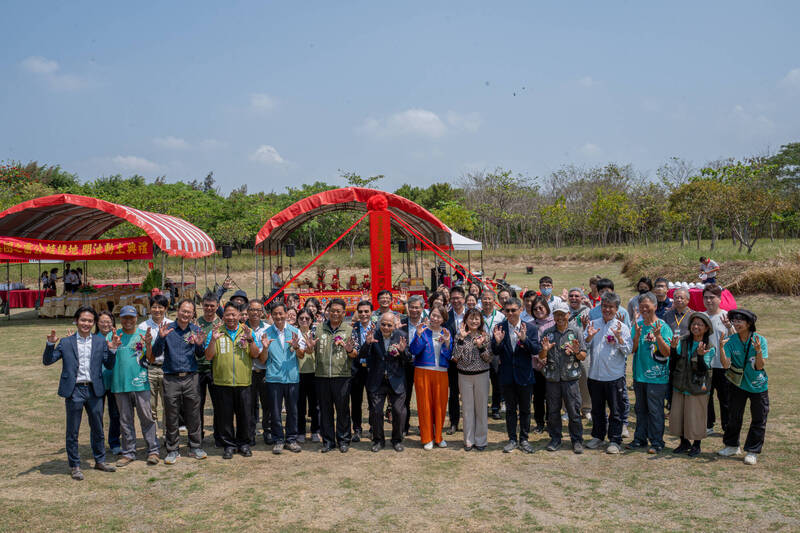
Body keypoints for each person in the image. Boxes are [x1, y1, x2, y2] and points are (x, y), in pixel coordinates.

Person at [43, 307, 120, 480]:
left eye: (90, 321)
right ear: (76, 321)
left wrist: (113, 350)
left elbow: (109, 365)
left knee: (98, 428)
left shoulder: (100, 342)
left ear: (94, 324)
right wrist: (50, 344)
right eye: (83, 320)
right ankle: (75, 465)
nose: (86, 323)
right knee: (73, 430)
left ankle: (100, 460)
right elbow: (48, 361)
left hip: (94, 390)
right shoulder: (66, 342)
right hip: (74, 390)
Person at [150, 299, 207, 464]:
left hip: (191, 377)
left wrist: (199, 345)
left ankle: (195, 446)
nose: (186, 314)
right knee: (171, 414)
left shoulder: (195, 330)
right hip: (170, 377)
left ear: (192, 314)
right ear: (178, 311)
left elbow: (200, 355)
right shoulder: (167, 329)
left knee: (193, 413)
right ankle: (173, 449)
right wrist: (160, 338)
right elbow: (156, 352)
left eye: (189, 312)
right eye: (183, 311)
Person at [204, 303, 260, 459]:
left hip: (244, 382)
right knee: (225, 416)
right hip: (223, 383)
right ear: (223, 317)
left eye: (233, 314)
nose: (230, 317)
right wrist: (213, 341)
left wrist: (250, 340)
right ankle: (228, 445)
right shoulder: (216, 332)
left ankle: (244, 443)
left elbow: (255, 354)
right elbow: (208, 356)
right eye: (227, 314)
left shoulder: (247, 331)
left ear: (240, 316)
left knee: (245, 416)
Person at [110, 306, 160, 467]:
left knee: (147, 418)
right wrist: (112, 346)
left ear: (136, 318)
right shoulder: (114, 335)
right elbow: (107, 358)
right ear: (120, 318)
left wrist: (148, 344)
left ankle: (153, 451)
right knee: (125, 420)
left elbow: (151, 359)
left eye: (131, 317)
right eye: (124, 317)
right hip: (120, 385)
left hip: (141, 384)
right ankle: (128, 452)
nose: (128, 321)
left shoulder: (142, 335)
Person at [306, 298, 357, 453]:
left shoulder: (349, 330)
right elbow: (309, 351)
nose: (335, 313)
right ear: (327, 312)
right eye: (332, 311)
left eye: (338, 311)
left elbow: (355, 353)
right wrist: (309, 348)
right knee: (325, 410)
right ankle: (328, 441)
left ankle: (343, 440)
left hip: (342, 375)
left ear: (343, 313)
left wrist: (349, 350)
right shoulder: (318, 329)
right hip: (321, 376)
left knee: (342, 410)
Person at [718, 309, 769, 466]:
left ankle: (752, 451)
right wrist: (720, 348)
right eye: (734, 320)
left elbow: (759, 366)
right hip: (737, 384)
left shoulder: (760, 340)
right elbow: (726, 364)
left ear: (749, 324)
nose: (736, 323)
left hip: (757, 386)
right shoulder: (731, 340)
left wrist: (759, 351)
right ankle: (732, 445)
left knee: (759, 419)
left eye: (740, 321)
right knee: (734, 415)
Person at [491, 297, 541, 454]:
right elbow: (495, 351)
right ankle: (512, 439)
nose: (511, 313)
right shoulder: (499, 327)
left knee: (525, 410)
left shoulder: (531, 328)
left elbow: (535, 350)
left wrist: (524, 339)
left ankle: (524, 439)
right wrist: (497, 342)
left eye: (514, 310)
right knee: (511, 410)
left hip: (524, 375)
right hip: (507, 376)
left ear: (520, 310)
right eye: (507, 310)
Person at [584, 292, 632, 454]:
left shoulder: (621, 327)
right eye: (604, 306)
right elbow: (584, 347)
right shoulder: (593, 323)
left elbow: (628, 350)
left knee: (616, 411)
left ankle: (615, 440)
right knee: (597, 409)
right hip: (595, 376)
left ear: (617, 309)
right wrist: (589, 337)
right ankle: (598, 436)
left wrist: (619, 338)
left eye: (611, 307)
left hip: (614, 377)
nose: (607, 309)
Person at [539, 302, 587, 454]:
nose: (559, 317)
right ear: (553, 316)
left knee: (573, 411)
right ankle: (555, 438)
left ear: (568, 315)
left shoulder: (576, 331)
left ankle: (577, 440)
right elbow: (541, 357)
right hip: (553, 378)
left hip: (570, 379)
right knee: (553, 411)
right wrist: (544, 351)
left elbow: (583, 356)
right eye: (556, 314)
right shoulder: (548, 333)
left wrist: (576, 351)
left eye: (562, 314)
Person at [629, 292, 673, 454]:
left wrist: (658, 336)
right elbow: (633, 350)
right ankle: (640, 439)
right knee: (640, 410)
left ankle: (657, 441)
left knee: (655, 410)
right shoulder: (638, 326)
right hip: (639, 375)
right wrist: (637, 337)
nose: (644, 310)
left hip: (657, 377)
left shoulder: (663, 326)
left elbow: (667, 352)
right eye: (641, 307)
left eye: (647, 306)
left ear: (655, 306)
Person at [360, 312, 409, 452]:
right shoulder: (373, 335)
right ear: (379, 324)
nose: (386, 327)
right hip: (377, 380)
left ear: (394, 325)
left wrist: (402, 351)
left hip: (396, 380)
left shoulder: (401, 336)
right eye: (383, 324)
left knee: (398, 411)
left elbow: (408, 358)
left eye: (389, 325)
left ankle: (397, 440)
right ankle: (378, 440)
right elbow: (362, 355)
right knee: (376, 411)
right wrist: (367, 344)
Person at [668, 312, 715, 457]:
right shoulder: (682, 341)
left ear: (706, 328)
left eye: (700, 324)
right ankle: (684, 442)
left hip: (697, 387)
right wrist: (673, 349)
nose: (696, 327)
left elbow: (703, 370)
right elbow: (673, 365)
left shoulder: (709, 346)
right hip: (680, 385)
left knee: (696, 417)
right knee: (679, 415)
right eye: (693, 324)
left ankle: (696, 444)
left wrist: (701, 356)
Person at [261, 302, 303, 454]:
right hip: (274, 378)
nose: (278, 316)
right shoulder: (266, 333)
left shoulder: (295, 331)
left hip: (292, 378)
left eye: (281, 313)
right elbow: (262, 359)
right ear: (271, 315)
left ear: (286, 314)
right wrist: (265, 347)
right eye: (275, 314)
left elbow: (302, 354)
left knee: (292, 410)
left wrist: (297, 347)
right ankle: (278, 439)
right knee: (275, 411)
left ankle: (291, 439)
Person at [409, 305, 453, 450]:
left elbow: (448, 356)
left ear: (443, 319)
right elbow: (414, 350)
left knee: (440, 406)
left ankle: (439, 436)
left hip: (441, 372)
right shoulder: (422, 330)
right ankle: (427, 437)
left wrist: (447, 342)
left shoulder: (446, 333)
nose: (435, 318)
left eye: (438, 316)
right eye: (433, 315)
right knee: (424, 406)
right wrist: (419, 335)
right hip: (422, 371)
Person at [451, 308, 492, 451]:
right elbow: (455, 357)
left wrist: (480, 347)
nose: (474, 321)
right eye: (471, 318)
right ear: (465, 321)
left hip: (482, 374)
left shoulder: (485, 336)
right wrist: (461, 339)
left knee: (481, 408)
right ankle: (468, 440)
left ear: (480, 321)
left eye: (476, 319)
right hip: (464, 375)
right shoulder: (459, 335)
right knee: (467, 409)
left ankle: (481, 440)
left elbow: (488, 358)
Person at [703, 284, 735, 436]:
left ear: (719, 299)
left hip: (723, 365)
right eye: (706, 297)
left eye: (712, 297)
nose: (709, 301)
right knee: (706, 397)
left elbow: (736, 338)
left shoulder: (727, 316)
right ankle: (708, 424)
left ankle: (727, 427)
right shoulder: (701, 316)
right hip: (706, 364)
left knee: (725, 398)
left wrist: (729, 326)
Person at [139, 294, 173, 438]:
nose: (157, 310)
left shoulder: (172, 325)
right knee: (150, 405)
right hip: (150, 369)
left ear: (165, 308)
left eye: (160, 307)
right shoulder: (142, 326)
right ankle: (153, 436)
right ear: (150, 308)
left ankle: (167, 435)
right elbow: (139, 350)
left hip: (167, 369)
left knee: (168, 405)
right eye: (154, 307)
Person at [196, 293, 222, 447]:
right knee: (197, 405)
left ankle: (218, 435)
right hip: (198, 369)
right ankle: (198, 436)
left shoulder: (221, 323)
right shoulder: (196, 323)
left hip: (215, 369)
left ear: (217, 306)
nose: (209, 308)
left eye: (212, 305)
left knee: (218, 404)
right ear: (202, 305)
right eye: (206, 305)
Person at [245, 300, 271, 447]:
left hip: (265, 370)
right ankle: (250, 433)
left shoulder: (268, 328)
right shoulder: (241, 328)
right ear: (247, 311)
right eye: (252, 310)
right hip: (248, 371)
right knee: (249, 405)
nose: (255, 313)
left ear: (262, 312)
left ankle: (267, 431)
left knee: (267, 404)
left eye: (258, 310)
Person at [350, 300, 374, 443]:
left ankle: (373, 428)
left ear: (371, 312)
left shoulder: (377, 328)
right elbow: (355, 352)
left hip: (373, 370)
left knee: (374, 401)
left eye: (366, 311)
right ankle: (357, 429)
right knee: (356, 401)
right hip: (357, 369)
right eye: (361, 312)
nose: (364, 314)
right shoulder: (353, 329)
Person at [97, 311, 121, 456]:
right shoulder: (93, 338)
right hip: (98, 382)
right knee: (97, 415)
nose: (106, 324)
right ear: (97, 323)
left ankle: (114, 443)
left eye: (108, 321)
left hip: (114, 381)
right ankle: (98, 444)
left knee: (115, 414)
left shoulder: (117, 337)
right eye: (102, 321)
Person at [401, 295, 426, 435]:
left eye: (417, 307)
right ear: (408, 308)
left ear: (422, 309)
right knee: (405, 398)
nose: (414, 310)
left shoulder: (427, 324)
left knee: (423, 399)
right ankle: (404, 427)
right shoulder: (401, 324)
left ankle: (424, 427)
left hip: (423, 365)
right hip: (405, 365)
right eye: (412, 307)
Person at [566, 287, 592, 420]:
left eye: (577, 296)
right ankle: (567, 409)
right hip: (567, 350)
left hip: (583, 351)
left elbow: (591, 331)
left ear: (582, 298)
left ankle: (586, 408)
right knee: (568, 380)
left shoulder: (588, 311)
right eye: (571, 296)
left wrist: (586, 326)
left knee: (585, 379)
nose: (574, 298)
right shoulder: (564, 311)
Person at [295, 308, 320, 443]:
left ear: (312, 320)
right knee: (300, 405)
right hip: (297, 373)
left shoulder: (316, 334)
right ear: (297, 320)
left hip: (314, 373)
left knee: (315, 405)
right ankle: (300, 431)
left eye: (307, 319)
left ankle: (315, 430)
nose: (304, 321)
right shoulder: (294, 334)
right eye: (301, 318)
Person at [529, 295, 553, 433]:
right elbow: (529, 344)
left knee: (551, 396)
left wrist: (546, 358)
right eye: (535, 309)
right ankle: (539, 422)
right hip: (536, 366)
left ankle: (551, 421)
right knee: (538, 397)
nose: (538, 311)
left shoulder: (554, 322)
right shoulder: (530, 325)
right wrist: (538, 357)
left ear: (546, 308)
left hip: (551, 365)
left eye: (541, 308)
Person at [480, 290, 505, 420]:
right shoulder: (477, 316)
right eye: (485, 299)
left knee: (497, 382)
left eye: (490, 299)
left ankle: (496, 408)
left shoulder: (500, 317)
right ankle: (482, 408)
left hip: (495, 353)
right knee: (482, 383)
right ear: (481, 300)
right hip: (481, 353)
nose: (487, 301)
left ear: (494, 300)